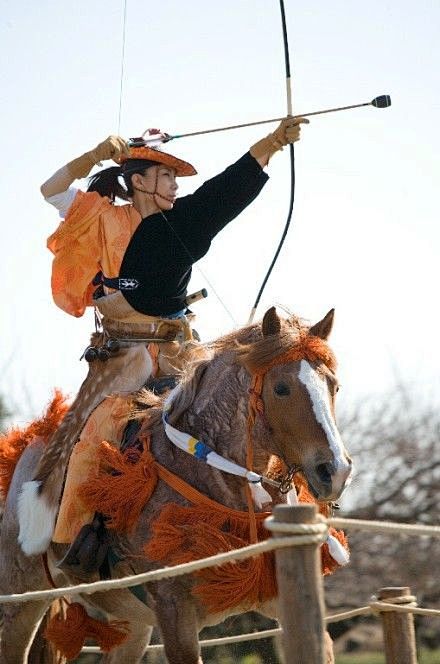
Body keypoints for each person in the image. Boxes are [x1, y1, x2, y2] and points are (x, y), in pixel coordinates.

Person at [18, 117, 308, 558]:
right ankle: (80, 539)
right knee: (97, 432)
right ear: (138, 180)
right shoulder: (100, 216)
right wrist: (94, 156)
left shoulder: (180, 225)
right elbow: (50, 189)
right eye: (166, 175)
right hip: (123, 353)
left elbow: (219, 196)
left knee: (238, 413)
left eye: (175, 177)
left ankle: (277, 521)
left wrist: (268, 146)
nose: (174, 184)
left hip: (180, 350)